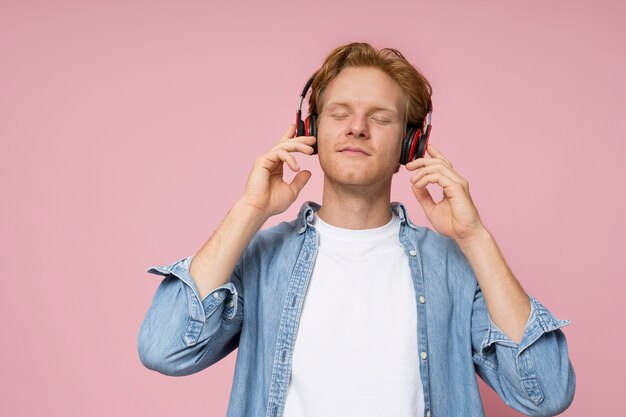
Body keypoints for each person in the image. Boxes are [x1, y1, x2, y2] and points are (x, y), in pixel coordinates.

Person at [138, 42, 575, 417]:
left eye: (381, 118)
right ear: (309, 131)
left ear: (411, 143)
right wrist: (250, 209)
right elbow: (165, 349)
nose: (357, 128)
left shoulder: (453, 268)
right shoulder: (261, 257)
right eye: (339, 113)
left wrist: (475, 237)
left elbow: (545, 393)